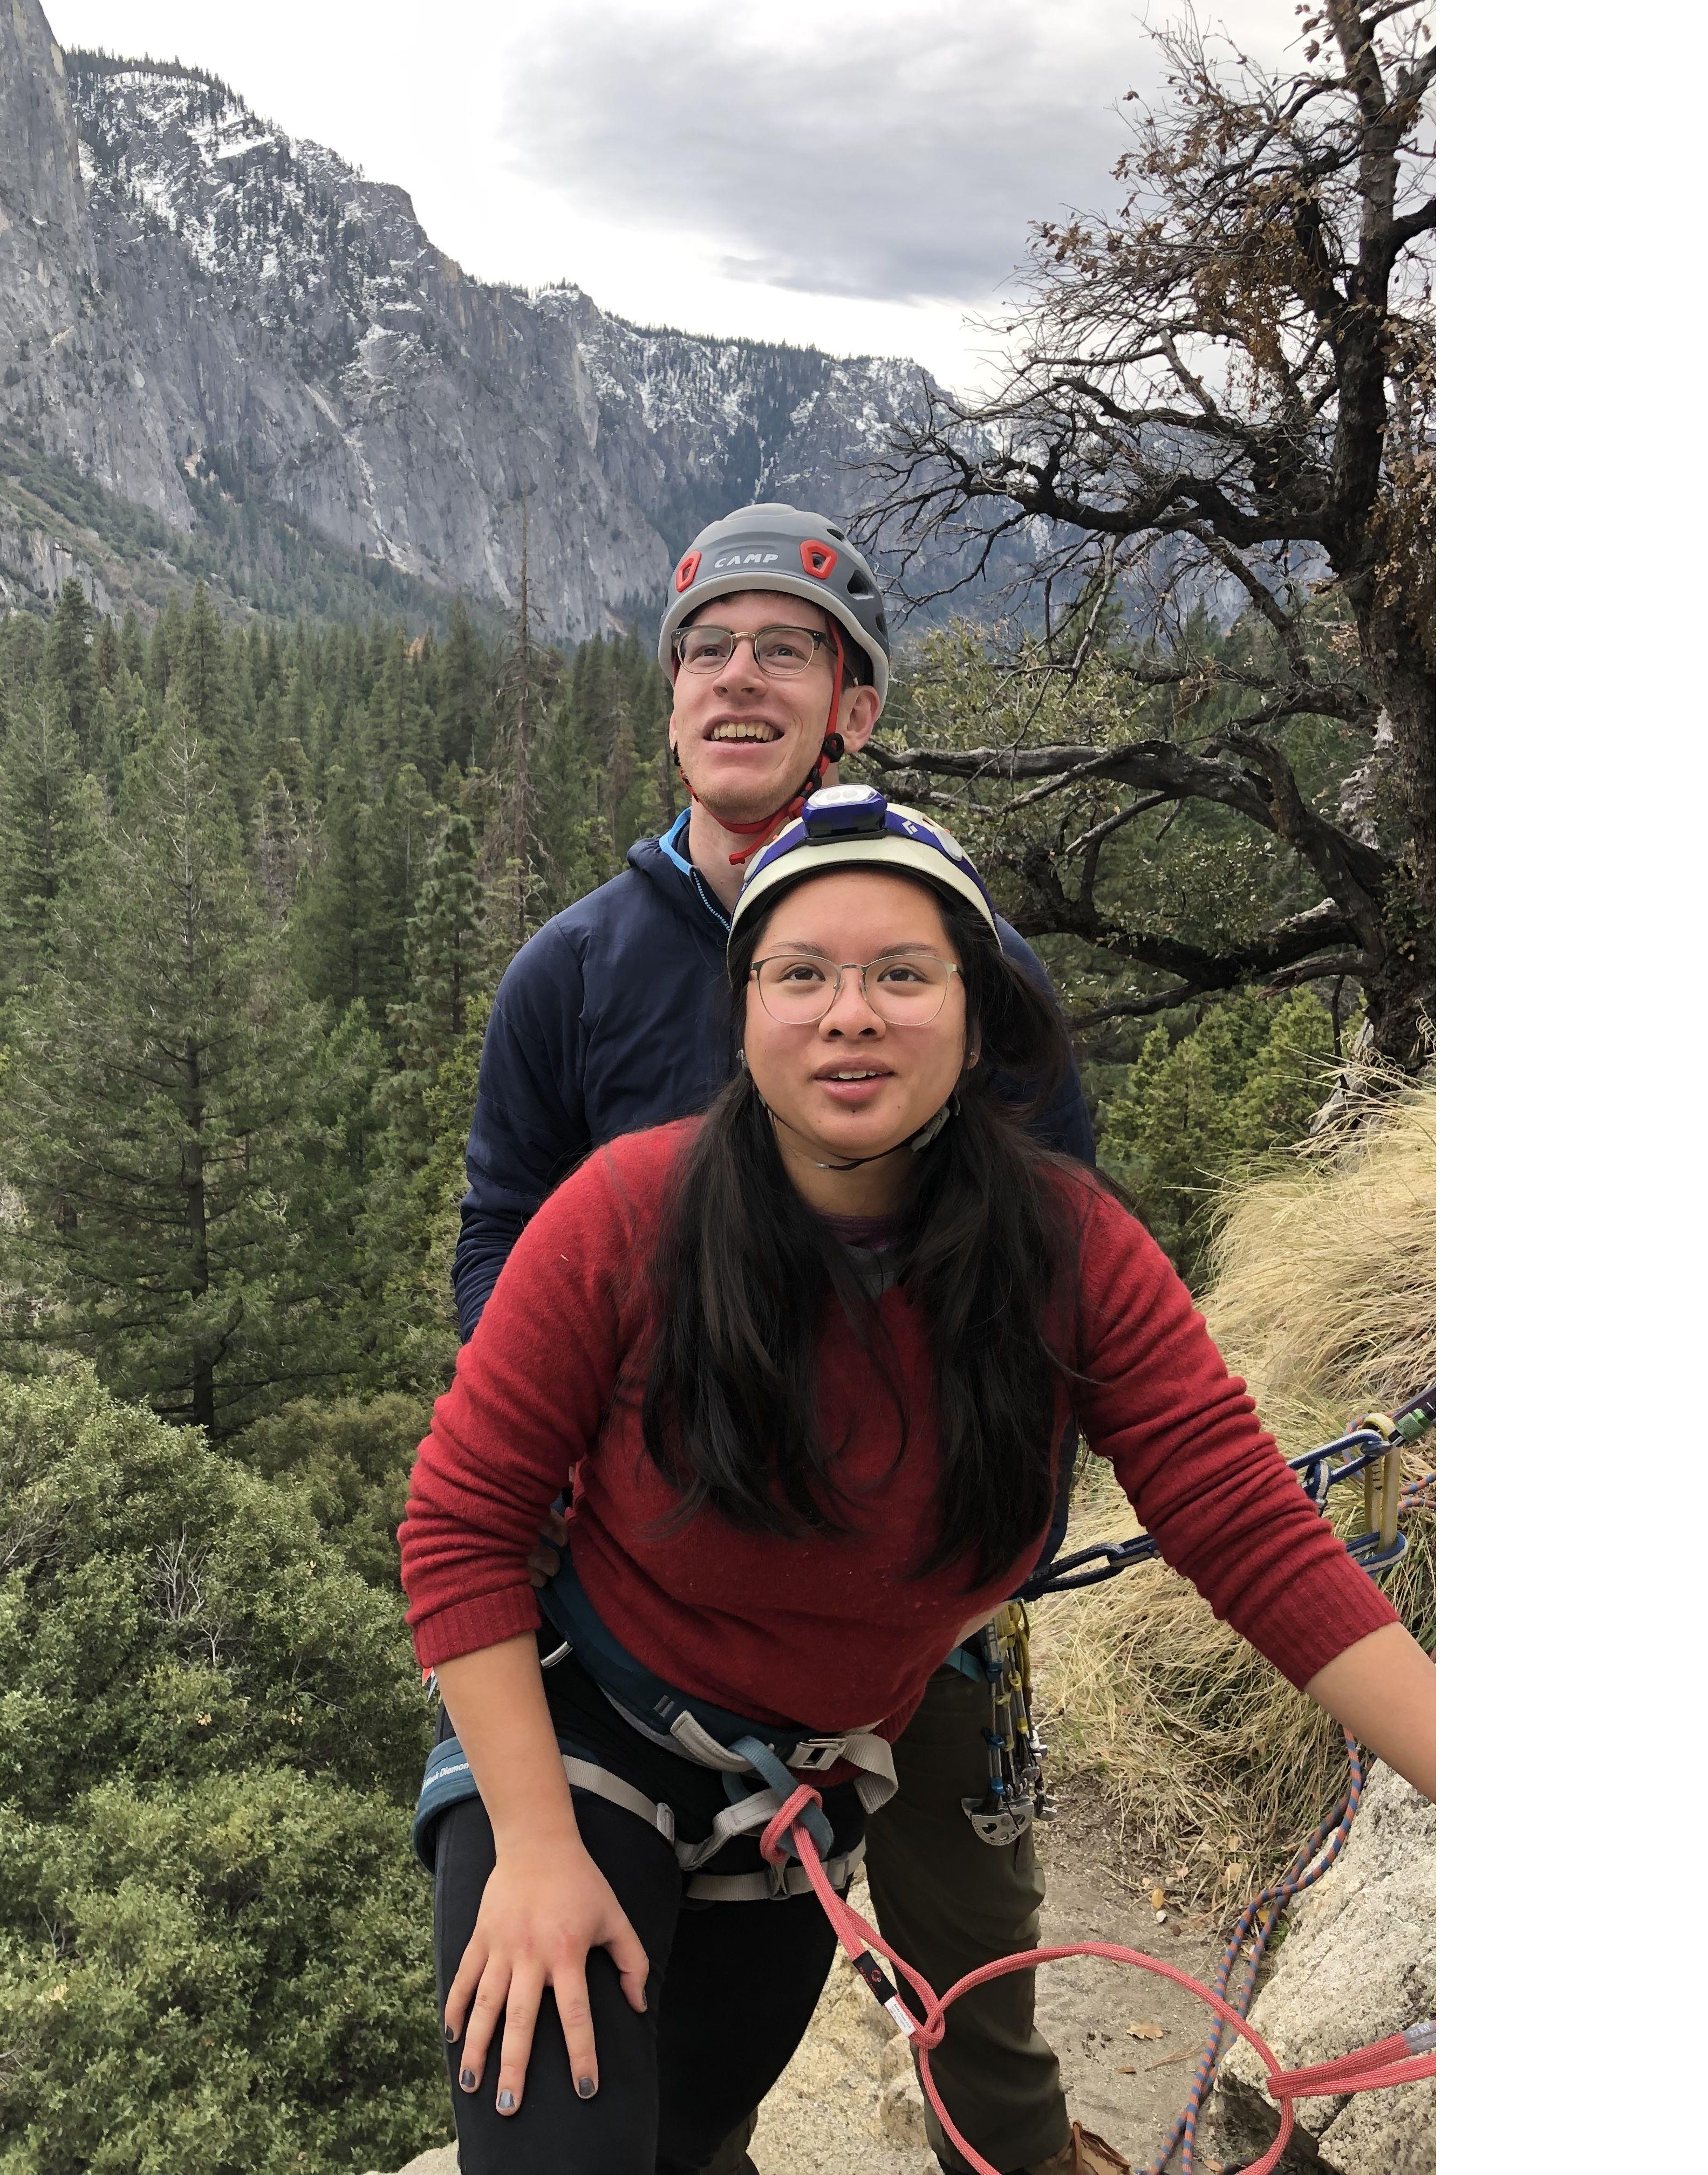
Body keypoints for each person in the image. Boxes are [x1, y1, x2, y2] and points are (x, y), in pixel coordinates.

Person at [400, 791, 1437, 2175]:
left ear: (975, 1013)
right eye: (803, 975)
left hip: (797, 1797)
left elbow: (1247, 1527)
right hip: (585, 1738)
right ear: (746, 1011)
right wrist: (529, 1845)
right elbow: (461, 1523)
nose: (852, 1013)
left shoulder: (1070, 1253)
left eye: (902, 974)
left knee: (693, 2139)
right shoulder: (625, 1217)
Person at [453, 503, 1109, 2175]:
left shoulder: (965, 969)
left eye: (789, 649)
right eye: (707, 649)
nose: (741, 681)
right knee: (638, 2000)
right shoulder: (575, 977)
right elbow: (498, 1250)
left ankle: (1011, 2157)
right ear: (670, 700)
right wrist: (548, 1482)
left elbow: (1058, 1279)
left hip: (926, 1599)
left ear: (854, 707)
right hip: (641, 1585)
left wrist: (986, 1529)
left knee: (980, 1948)